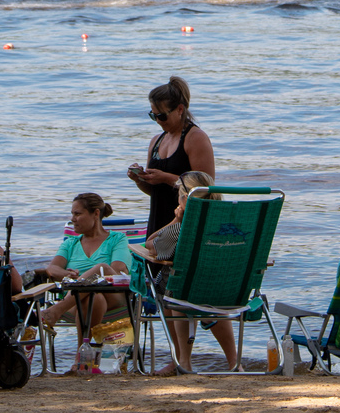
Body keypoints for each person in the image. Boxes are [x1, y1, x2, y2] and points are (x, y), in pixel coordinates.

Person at [142, 171, 238, 374]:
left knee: (171, 287)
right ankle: (234, 363)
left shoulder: (182, 228)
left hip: (183, 294)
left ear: (185, 198)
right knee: (192, 292)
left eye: (178, 193)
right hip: (227, 291)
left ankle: (183, 361)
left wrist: (176, 220)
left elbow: (150, 243)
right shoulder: (230, 226)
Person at [40, 193, 132, 364]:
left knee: (102, 268)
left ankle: (57, 310)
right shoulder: (71, 243)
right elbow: (51, 269)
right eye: (72, 214)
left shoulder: (117, 239)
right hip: (80, 302)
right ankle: (82, 359)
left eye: (77, 214)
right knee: (93, 297)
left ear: (96, 214)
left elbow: (118, 270)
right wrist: (66, 274)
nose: (73, 218)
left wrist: (85, 277)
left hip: (115, 295)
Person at [128, 76, 217, 239]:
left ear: (180, 109)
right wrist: (139, 179)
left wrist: (165, 178)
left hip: (185, 225)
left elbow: (206, 191)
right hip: (158, 223)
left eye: (162, 116)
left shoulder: (195, 138)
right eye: (153, 116)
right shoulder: (156, 141)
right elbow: (155, 191)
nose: (158, 121)